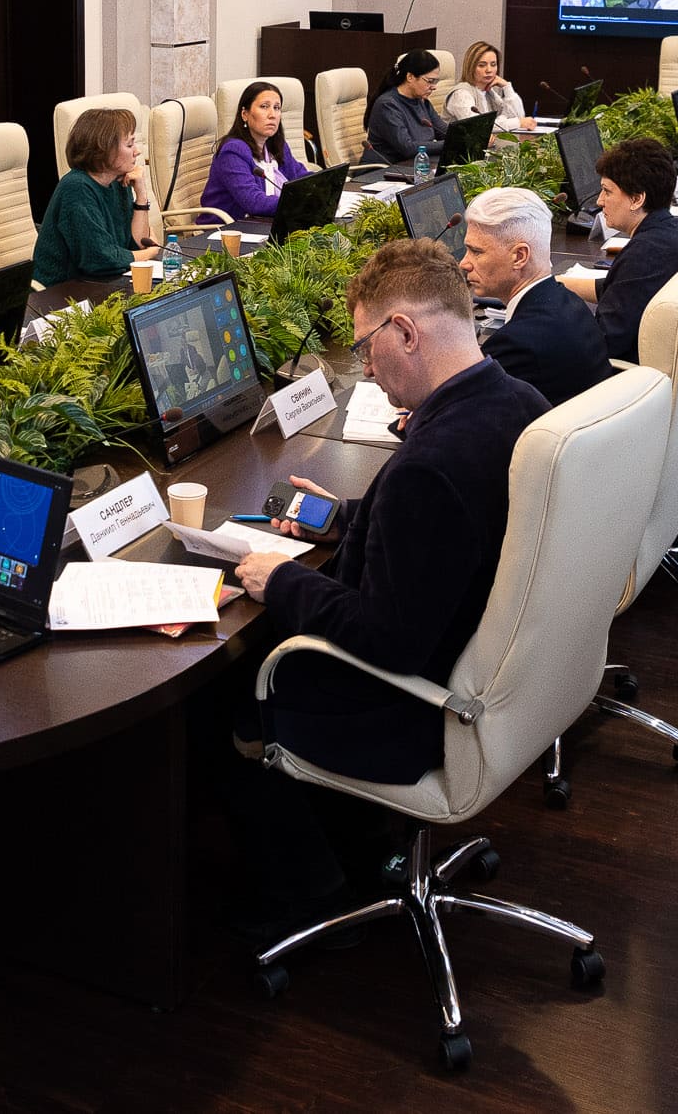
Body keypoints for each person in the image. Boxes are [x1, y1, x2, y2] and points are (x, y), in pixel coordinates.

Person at [214, 240, 548, 937]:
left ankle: (307, 891)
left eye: (367, 346)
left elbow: (383, 637)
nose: (365, 367)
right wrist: (348, 517)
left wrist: (281, 579)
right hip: (501, 677)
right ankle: (356, 839)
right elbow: (451, 531)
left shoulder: (428, 465)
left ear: (405, 331)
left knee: (220, 690)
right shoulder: (520, 404)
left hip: (410, 708)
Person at [461, 187, 608, 406]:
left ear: (519, 256)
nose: (464, 263)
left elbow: (459, 417)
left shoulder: (515, 345)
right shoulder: (571, 302)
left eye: (476, 252)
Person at [576, 137, 678, 364]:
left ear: (637, 199)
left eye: (607, 191)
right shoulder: (675, 234)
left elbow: (603, 342)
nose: (600, 201)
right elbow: (624, 289)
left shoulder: (645, 254)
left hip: (629, 374)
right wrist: (559, 284)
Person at [32, 105, 159, 284]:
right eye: (129, 144)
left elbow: (137, 243)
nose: (136, 151)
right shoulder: (76, 188)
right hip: (63, 291)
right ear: (104, 149)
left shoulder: (117, 180)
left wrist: (141, 194)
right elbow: (100, 260)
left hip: (103, 282)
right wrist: (150, 253)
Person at [202, 80, 308, 218]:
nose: (272, 114)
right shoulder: (232, 152)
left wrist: (324, 186)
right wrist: (299, 203)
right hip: (229, 227)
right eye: (264, 107)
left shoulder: (277, 145)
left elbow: (300, 177)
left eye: (277, 108)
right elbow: (253, 202)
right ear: (244, 114)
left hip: (264, 221)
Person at [362, 50, 449, 165]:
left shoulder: (422, 102)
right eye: (430, 81)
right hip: (383, 170)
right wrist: (449, 144)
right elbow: (408, 148)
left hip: (412, 166)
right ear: (410, 77)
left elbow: (445, 132)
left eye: (436, 81)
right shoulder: (387, 105)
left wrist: (461, 137)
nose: (434, 87)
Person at [444, 42, 525, 124]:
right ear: (471, 67)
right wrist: (517, 123)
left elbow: (518, 116)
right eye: (482, 65)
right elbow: (478, 125)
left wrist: (506, 86)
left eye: (493, 65)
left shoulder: (488, 92)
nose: (489, 70)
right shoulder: (461, 94)